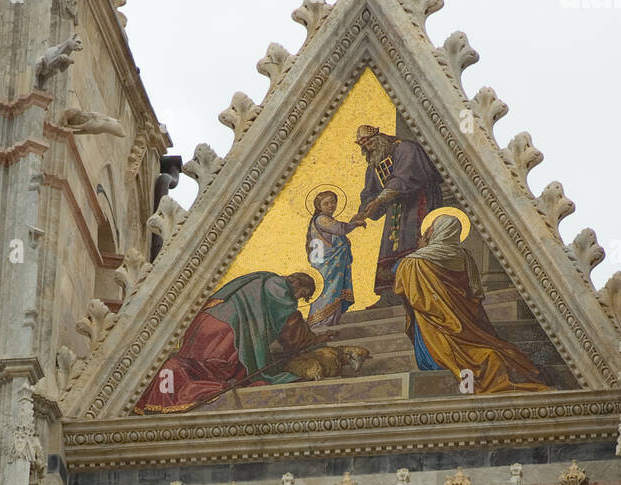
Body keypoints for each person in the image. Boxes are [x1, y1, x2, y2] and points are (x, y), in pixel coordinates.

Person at [135, 271, 331, 413]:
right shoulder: (280, 290)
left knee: (195, 364)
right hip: (225, 328)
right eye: (302, 295)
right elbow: (290, 323)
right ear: (298, 285)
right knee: (216, 370)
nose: (299, 299)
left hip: (204, 321)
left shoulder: (264, 277)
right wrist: (311, 341)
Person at [395, 215, 549, 392]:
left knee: (482, 356)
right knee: (493, 354)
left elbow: (407, 293)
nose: (426, 234)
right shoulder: (465, 257)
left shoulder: (413, 262)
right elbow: (474, 295)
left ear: (435, 232)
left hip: (434, 329)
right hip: (466, 325)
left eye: (429, 230)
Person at [355, 124, 442, 303]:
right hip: (395, 209)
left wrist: (379, 200)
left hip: (419, 201)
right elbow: (368, 192)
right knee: (391, 247)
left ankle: (419, 289)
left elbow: (403, 179)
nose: (368, 149)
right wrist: (364, 212)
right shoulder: (375, 161)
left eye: (370, 144)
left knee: (414, 241)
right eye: (364, 146)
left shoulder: (406, 148)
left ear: (380, 139)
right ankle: (390, 294)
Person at [305, 190, 364, 328]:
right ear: (319, 207)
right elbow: (339, 229)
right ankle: (320, 322)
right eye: (326, 203)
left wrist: (353, 222)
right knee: (329, 291)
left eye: (333, 202)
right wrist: (355, 223)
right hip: (328, 264)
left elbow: (338, 230)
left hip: (333, 264)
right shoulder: (321, 219)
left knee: (334, 291)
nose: (331, 205)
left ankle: (330, 321)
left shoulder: (326, 219)